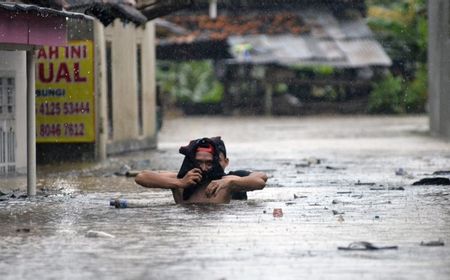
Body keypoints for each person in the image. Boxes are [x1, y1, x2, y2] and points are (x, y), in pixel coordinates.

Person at [135, 137, 268, 204]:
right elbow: (141, 176)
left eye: (209, 163)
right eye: (199, 162)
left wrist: (230, 183)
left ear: (216, 162)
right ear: (191, 161)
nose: (204, 168)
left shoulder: (224, 183)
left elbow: (260, 181)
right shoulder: (180, 179)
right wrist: (180, 183)